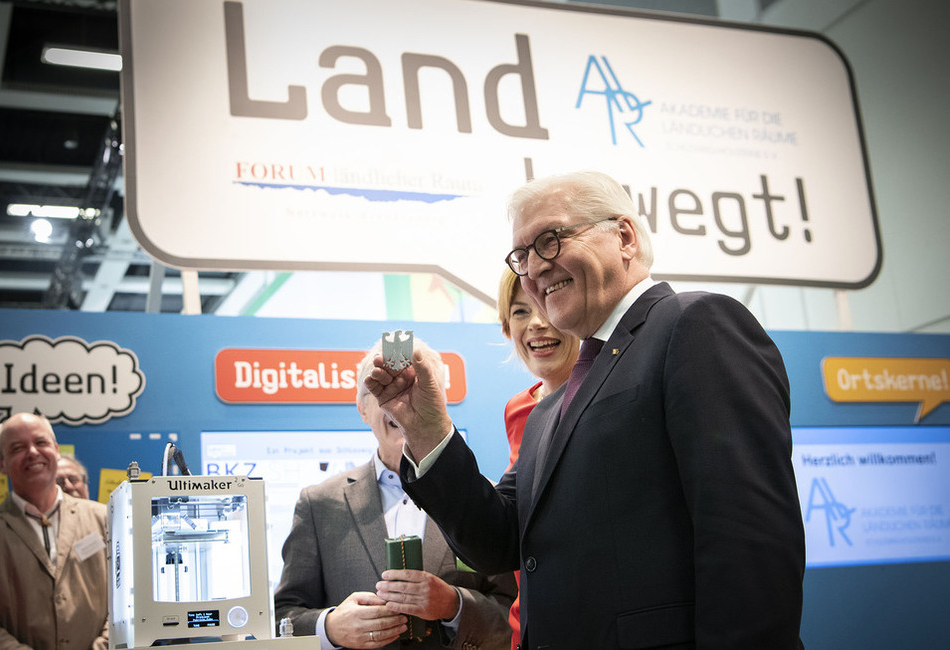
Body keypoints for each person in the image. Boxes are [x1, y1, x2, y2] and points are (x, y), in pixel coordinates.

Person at [367, 171, 806, 649]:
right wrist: (428, 430)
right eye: (521, 257)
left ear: (624, 237)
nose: (533, 269)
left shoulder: (695, 324)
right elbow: (494, 542)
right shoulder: (547, 411)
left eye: (550, 241)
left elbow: (749, 544)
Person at [274, 337, 516, 649]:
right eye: (382, 392)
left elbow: (514, 612)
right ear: (362, 409)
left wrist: (455, 606)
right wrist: (331, 626)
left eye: (415, 389)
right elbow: (284, 618)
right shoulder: (319, 505)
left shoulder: (483, 499)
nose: (401, 406)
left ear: (440, 404)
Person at [0, 412, 108, 649]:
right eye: (17, 448)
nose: (33, 452)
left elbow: (129, 602)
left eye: (41, 442)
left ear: (56, 449)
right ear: (1, 464)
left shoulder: (104, 518)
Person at [496, 270, 578, 649]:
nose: (538, 324)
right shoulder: (517, 410)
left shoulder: (607, 394)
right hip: (527, 625)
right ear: (506, 327)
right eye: (520, 311)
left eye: (547, 304)